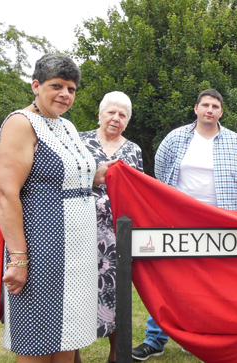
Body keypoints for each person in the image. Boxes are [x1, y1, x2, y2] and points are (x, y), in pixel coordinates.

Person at [0, 54, 115, 363]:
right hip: (41, 250)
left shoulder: (67, 126)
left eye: (72, 89)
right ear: (36, 86)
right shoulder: (21, 123)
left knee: (69, 337)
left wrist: (96, 176)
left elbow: (64, 178)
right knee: (37, 340)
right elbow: (6, 193)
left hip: (78, 253)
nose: (65, 94)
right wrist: (19, 260)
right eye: (57, 86)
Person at [132, 88, 237, 361]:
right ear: (196, 108)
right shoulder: (175, 138)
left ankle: (197, 337)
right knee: (168, 278)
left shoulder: (236, 142)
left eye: (215, 106)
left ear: (221, 112)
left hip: (220, 222)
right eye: (205, 105)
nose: (210, 110)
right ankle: (155, 339)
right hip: (178, 220)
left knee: (210, 282)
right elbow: (161, 173)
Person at [76, 91, 143, 363]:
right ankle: (74, 353)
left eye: (122, 115)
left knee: (117, 293)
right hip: (81, 231)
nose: (116, 119)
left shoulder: (134, 150)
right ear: (100, 114)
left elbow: (138, 192)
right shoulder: (78, 142)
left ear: (127, 121)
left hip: (118, 236)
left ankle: (116, 354)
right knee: (78, 291)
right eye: (111, 112)